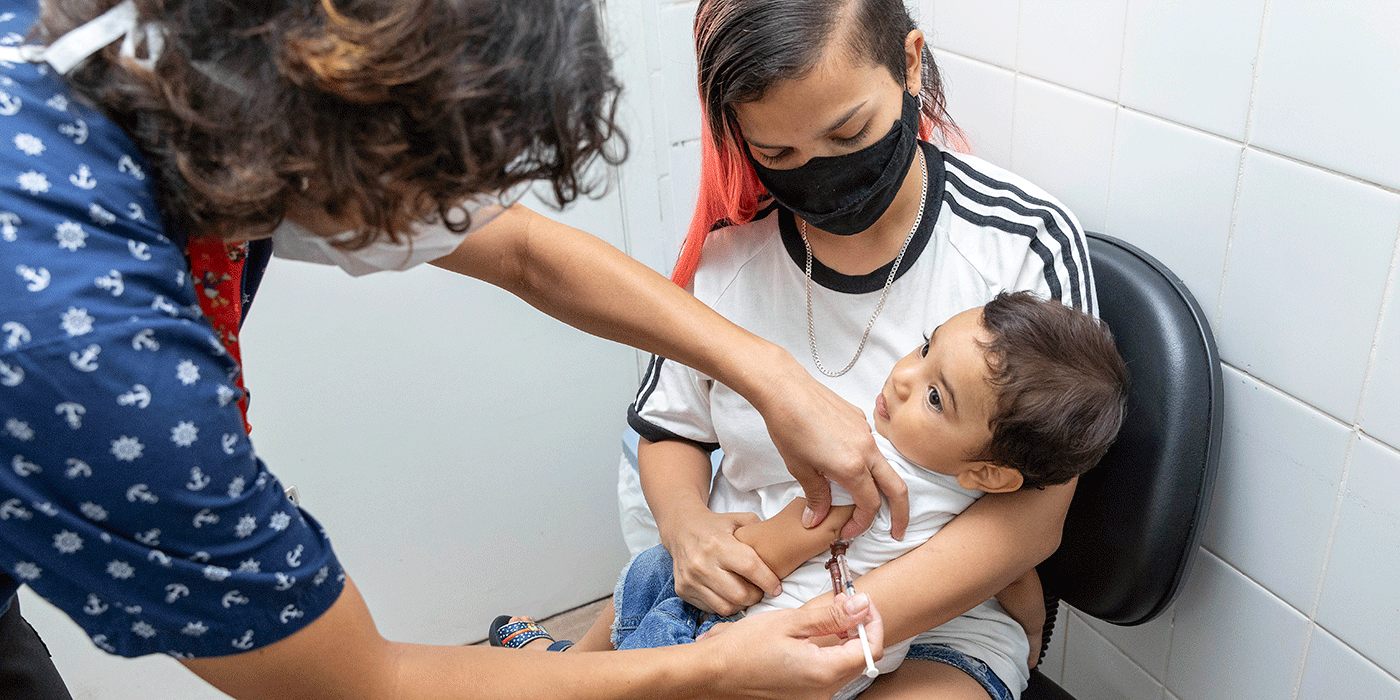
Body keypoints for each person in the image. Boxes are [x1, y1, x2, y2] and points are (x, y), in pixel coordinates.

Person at [0, 0, 902, 698]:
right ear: (335, 135)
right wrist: (710, 668)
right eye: (438, 188)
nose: (452, 218)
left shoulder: (196, 69)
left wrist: (767, 371)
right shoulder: (97, 355)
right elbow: (362, 682)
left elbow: (521, 252)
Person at [612, 0, 1100, 698]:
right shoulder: (729, 257)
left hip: (941, 615)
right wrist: (688, 529)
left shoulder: (1023, 244)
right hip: (754, 588)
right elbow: (669, 429)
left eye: (847, 132)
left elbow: (1034, 513)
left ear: (909, 63)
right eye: (776, 154)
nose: (819, 172)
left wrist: (835, 625)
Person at [501, 292, 1127, 700]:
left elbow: (774, 553)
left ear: (991, 472)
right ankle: (566, 668)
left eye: (936, 397)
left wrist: (736, 546)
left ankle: (565, 670)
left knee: (652, 574)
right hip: (837, 662)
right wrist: (1030, 636)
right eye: (925, 346)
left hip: (756, 647)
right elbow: (1015, 580)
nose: (903, 378)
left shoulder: (868, 472)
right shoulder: (973, 497)